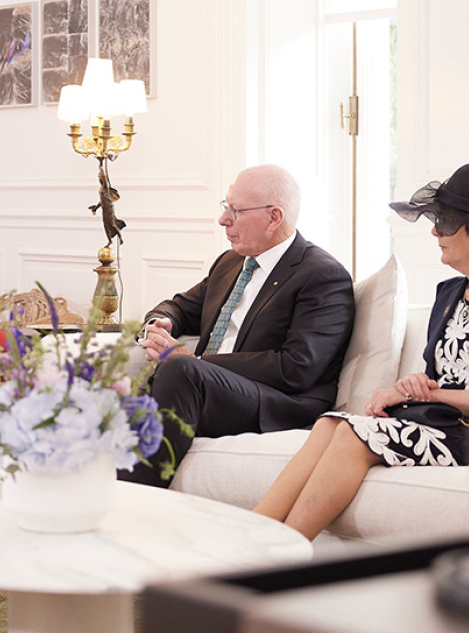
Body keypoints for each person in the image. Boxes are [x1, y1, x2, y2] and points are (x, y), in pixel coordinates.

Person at [254, 162, 469, 540]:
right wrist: (406, 389)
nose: (435, 230)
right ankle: (251, 542)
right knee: (328, 424)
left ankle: (280, 553)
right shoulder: (450, 293)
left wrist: (434, 394)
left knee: (352, 434)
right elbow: (438, 378)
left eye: (446, 221)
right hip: (439, 423)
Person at [123, 164, 356, 488]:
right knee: (108, 385)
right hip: (206, 386)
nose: (223, 220)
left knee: (179, 370)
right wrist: (160, 323)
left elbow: (297, 367)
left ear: (274, 217)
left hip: (276, 402)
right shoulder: (231, 263)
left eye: (236, 211)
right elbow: (181, 307)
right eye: (225, 207)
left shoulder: (322, 275)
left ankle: (134, 493)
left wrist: (196, 361)